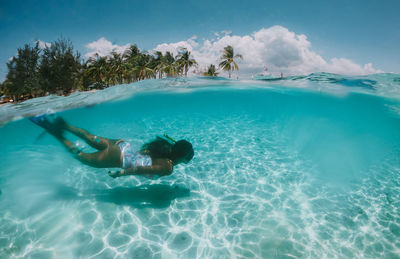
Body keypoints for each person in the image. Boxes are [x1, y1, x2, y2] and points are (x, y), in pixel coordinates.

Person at [30, 115, 194, 179]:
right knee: (82, 157)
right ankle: (56, 134)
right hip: (118, 158)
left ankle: (64, 125)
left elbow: (143, 155)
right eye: (185, 161)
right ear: (181, 157)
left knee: (89, 137)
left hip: (121, 145)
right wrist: (119, 173)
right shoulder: (168, 166)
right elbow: (139, 169)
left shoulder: (164, 146)